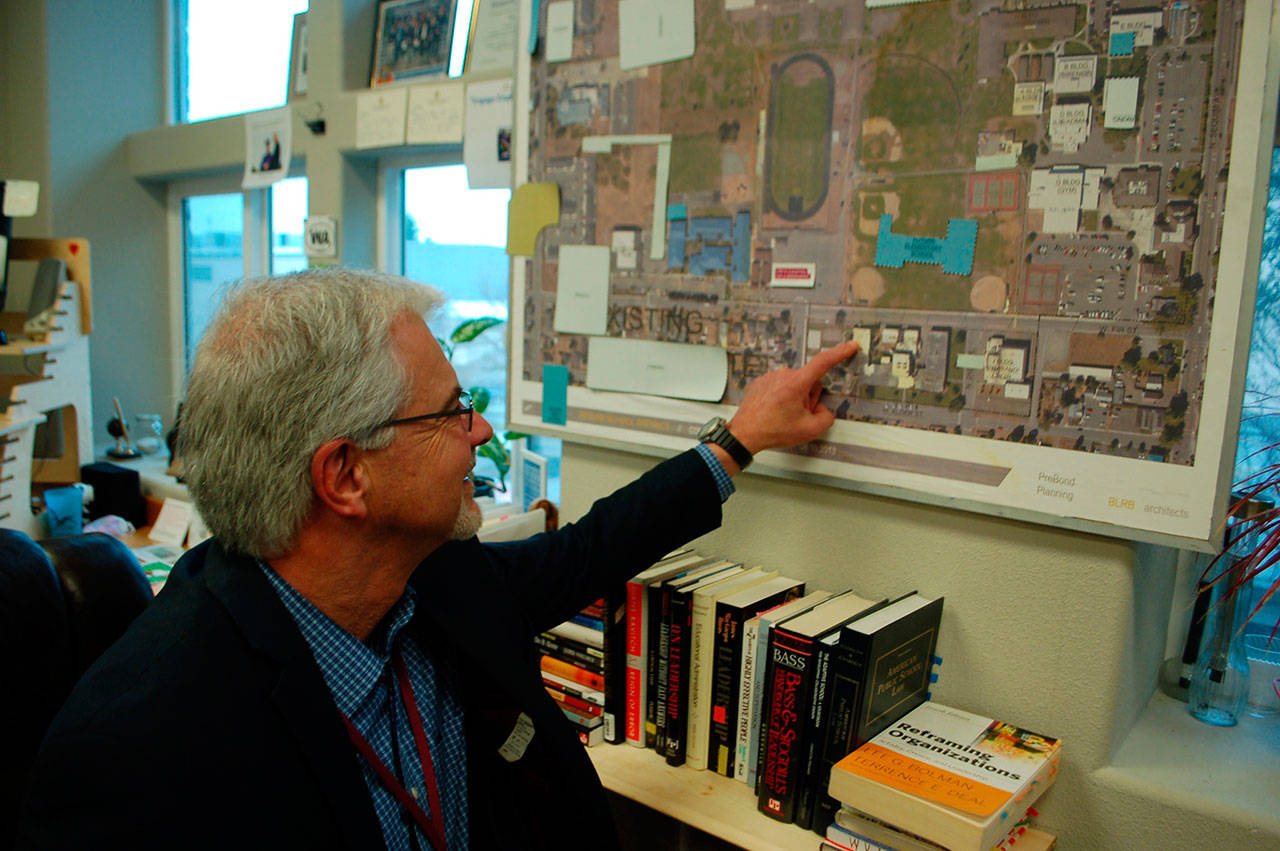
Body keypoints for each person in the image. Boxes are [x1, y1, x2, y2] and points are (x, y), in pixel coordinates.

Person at [18, 267, 858, 849]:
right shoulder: (137, 755)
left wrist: (738, 439)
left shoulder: (432, 582)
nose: (482, 431)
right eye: (453, 411)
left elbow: (587, 552)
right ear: (347, 475)